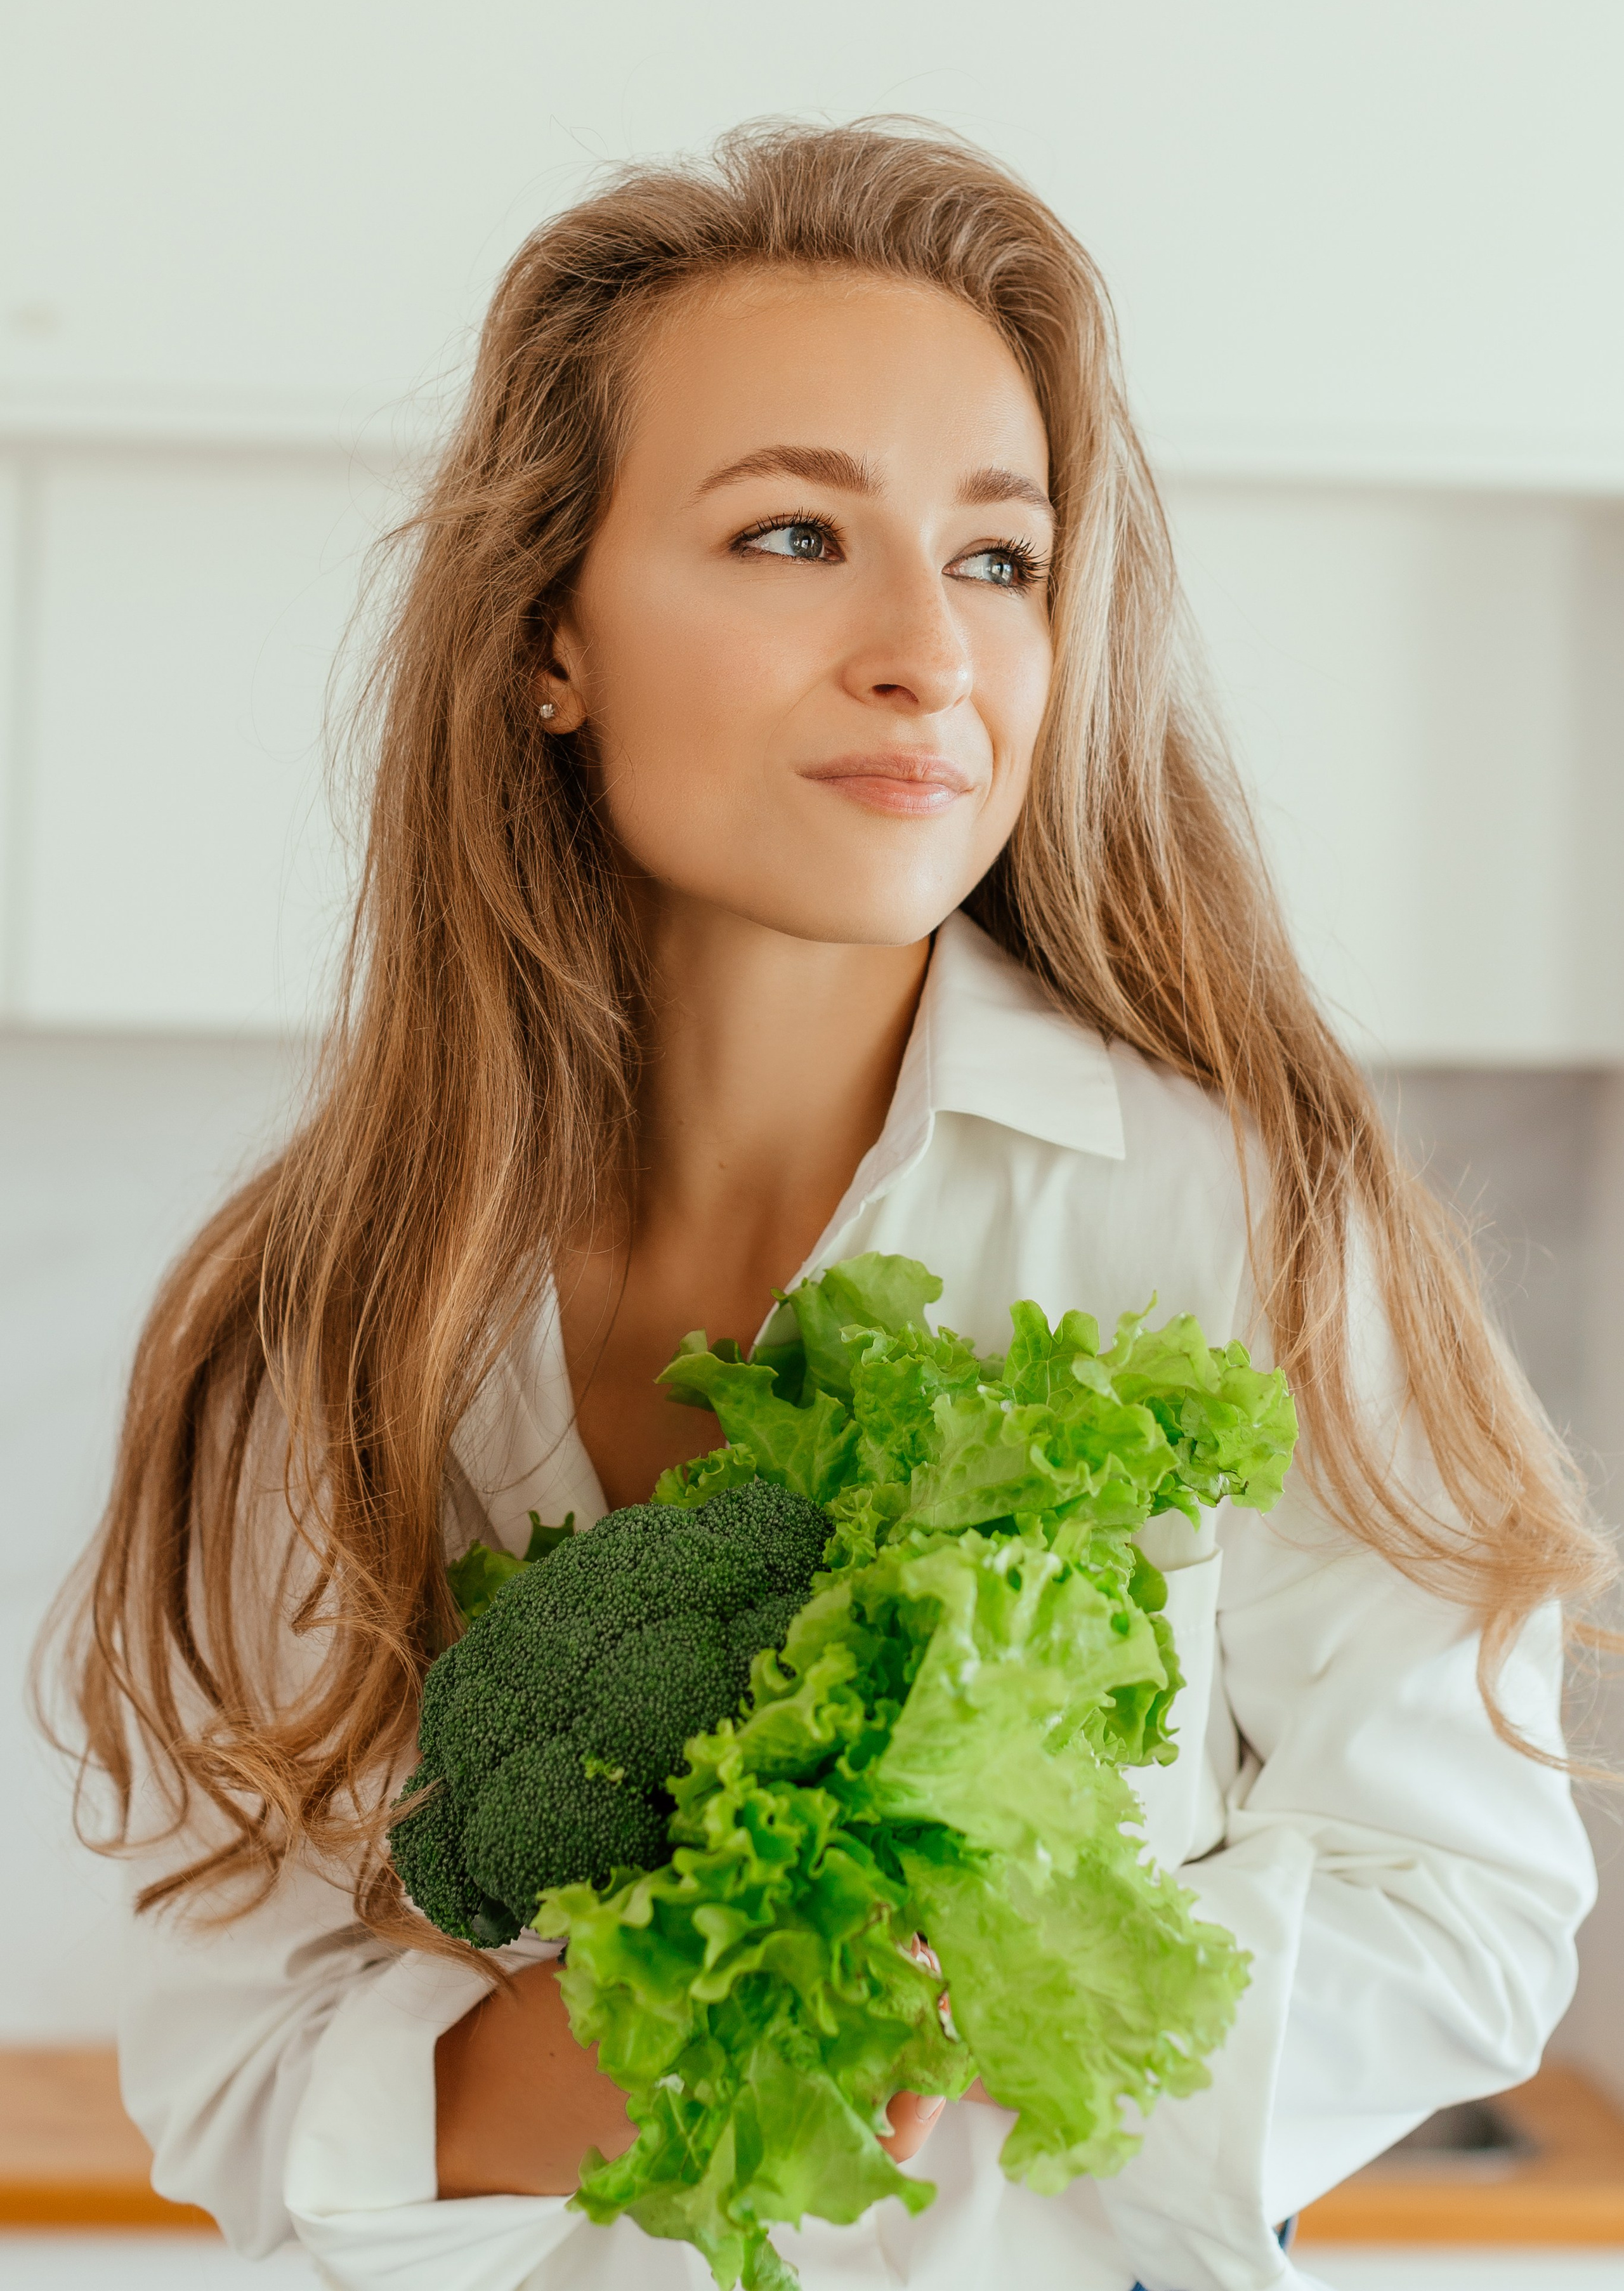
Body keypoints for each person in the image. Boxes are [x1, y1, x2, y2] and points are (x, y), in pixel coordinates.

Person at [56, 122, 1606, 2291]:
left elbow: (1463, 1909)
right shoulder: (320, 1310)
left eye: (996, 561)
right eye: (795, 534)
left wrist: (970, 1975)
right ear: (546, 637)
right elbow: (226, 2062)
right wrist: (600, 2050)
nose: (927, 656)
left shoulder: (1246, 1220)